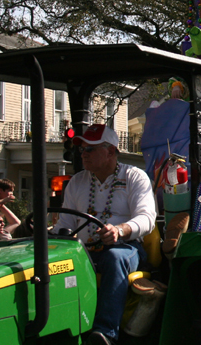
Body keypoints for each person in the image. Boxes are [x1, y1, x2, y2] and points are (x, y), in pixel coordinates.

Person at [53, 124, 156, 345]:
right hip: (85, 251)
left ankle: (105, 334)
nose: (84, 154)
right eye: (82, 149)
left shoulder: (134, 177)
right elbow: (65, 223)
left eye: (90, 149)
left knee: (114, 257)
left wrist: (120, 230)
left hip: (126, 248)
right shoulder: (77, 182)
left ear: (110, 152)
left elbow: (147, 218)